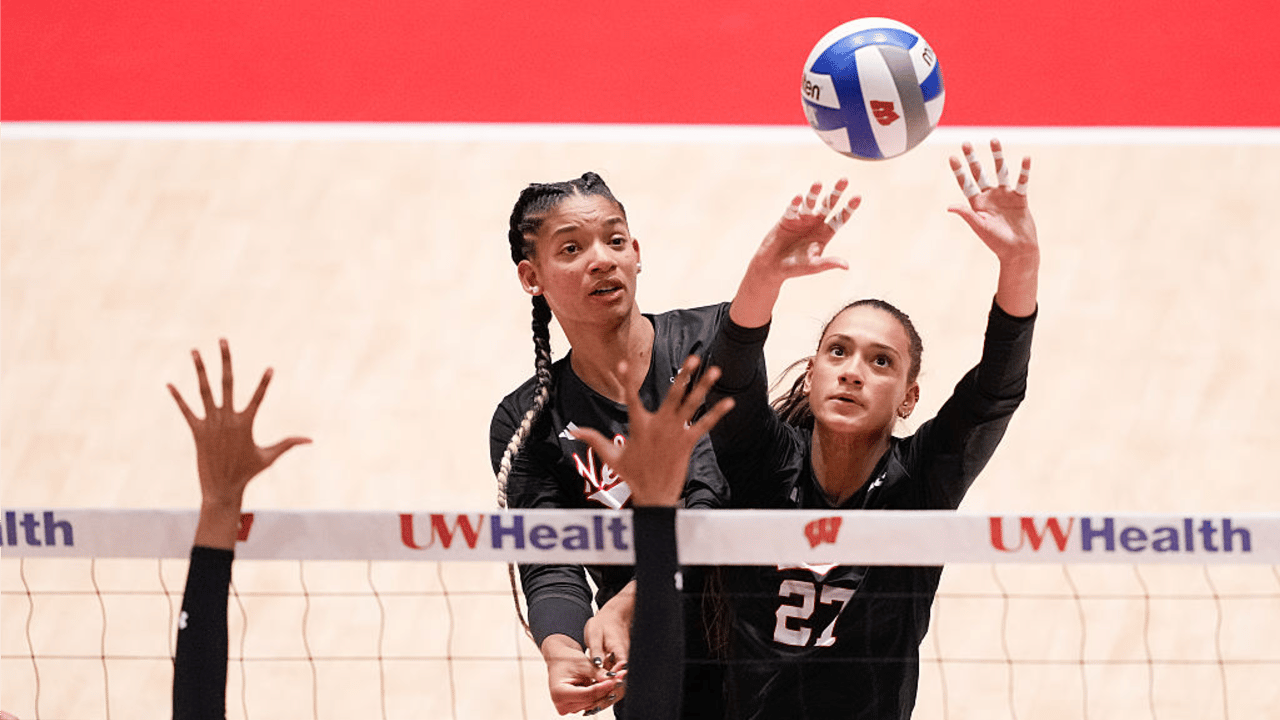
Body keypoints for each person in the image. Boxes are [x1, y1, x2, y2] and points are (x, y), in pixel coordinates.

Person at [167, 340, 731, 720]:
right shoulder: (525, 421)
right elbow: (654, 692)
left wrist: (220, 507)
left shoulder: (689, 340)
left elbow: (195, 694)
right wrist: (654, 518)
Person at [704, 140, 1038, 719]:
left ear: (909, 397)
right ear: (812, 376)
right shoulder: (765, 463)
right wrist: (767, 272)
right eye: (838, 352)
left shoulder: (920, 485)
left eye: (881, 361)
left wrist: (1020, 266)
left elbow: (993, 396)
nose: (854, 372)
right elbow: (729, 380)